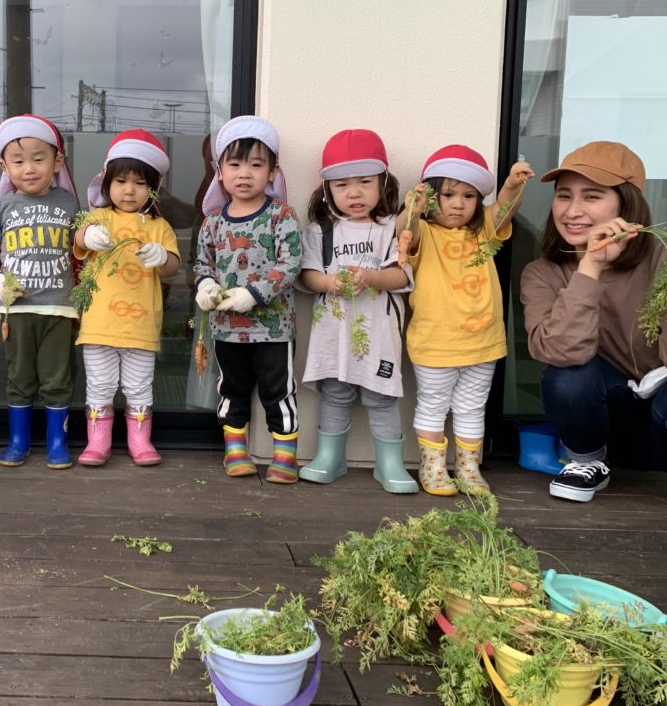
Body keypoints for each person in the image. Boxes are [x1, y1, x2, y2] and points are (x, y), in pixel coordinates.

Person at [519, 140, 667, 527]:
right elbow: (558, 351)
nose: (572, 210)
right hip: (612, 432)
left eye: (591, 196)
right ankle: (586, 463)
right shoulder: (543, 273)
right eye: (564, 195)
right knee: (566, 376)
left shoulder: (666, 258)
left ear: (627, 205)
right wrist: (590, 267)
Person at [397, 145, 533, 496]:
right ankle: (433, 467)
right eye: (448, 195)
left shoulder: (482, 230)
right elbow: (405, 231)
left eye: (468, 196)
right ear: (432, 197)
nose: (458, 204)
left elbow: (505, 209)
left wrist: (513, 185)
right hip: (435, 343)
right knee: (433, 405)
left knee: (472, 407)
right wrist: (413, 208)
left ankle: (468, 469)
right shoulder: (425, 233)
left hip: (483, 342)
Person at [297, 129, 413, 492]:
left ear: (383, 182)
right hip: (334, 332)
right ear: (327, 189)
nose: (355, 192)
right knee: (334, 392)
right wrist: (330, 283)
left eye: (365, 182)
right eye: (342, 184)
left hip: (378, 332)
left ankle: (389, 464)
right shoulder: (320, 231)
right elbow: (307, 274)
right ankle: (330, 458)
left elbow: (402, 275)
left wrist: (372, 277)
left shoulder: (391, 229)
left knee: (382, 396)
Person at [193, 115, 302, 482]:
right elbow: (202, 264)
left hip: (274, 329)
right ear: (219, 171)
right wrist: (206, 287)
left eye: (256, 165)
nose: (244, 173)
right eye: (235, 164)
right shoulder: (212, 222)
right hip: (226, 328)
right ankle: (235, 449)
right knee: (231, 388)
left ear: (272, 171)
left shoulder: (281, 216)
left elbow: (291, 263)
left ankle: (285, 455)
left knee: (278, 390)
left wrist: (253, 294)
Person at [0, 114, 80, 469]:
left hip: (59, 310)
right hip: (17, 310)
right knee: (19, 377)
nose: (29, 168)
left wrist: (81, 300)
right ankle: (18, 441)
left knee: (57, 378)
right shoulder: (0, 207)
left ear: (57, 162)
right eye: (18, 161)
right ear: (4, 166)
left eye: (39, 159)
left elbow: (79, 255)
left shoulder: (69, 204)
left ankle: (57, 443)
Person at [73, 130, 181, 466]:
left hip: (141, 326)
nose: (129, 190)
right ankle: (97, 443)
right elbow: (78, 240)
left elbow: (173, 267)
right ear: (106, 180)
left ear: (154, 187)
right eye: (121, 181)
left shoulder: (159, 226)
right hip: (99, 325)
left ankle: (140, 442)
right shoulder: (98, 217)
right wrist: (88, 235)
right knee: (100, 385)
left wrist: (162, 257)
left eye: (140, 183)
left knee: (139, 387)